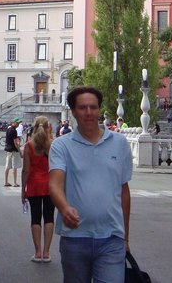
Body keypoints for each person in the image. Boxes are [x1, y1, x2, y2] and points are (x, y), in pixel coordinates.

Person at [49, 86, 133, 282]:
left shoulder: (119, 143)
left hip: (111, 238)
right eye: (82, 108)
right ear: (74, 112)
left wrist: (125, 237)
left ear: (99, 109)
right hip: (75, 238)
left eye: (93, 107)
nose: (89, 113)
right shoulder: (62, 145)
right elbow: (54, 184)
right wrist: (64, 207)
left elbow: (124, 191)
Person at [21, 116, 55, 263]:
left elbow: (26, 170)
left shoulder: (29, 146)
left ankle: (37, 252)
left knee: (35, 218)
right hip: (50, 185)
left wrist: (23, 189)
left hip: (34, 185)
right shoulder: (53, 145)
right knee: (49, 217)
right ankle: (47, 252)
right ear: (49, 127)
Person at [4, 118, 22, 186]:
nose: (18, 124)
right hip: (13, 150)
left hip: (8, 150)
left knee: (7, 166)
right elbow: (15, 142)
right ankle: (15, 182)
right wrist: (19, 150)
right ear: (13, 123)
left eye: (18, 123)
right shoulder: (14, 131)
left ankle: (6, 181)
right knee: (15, 166)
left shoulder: (8, 129)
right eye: (17, 123)